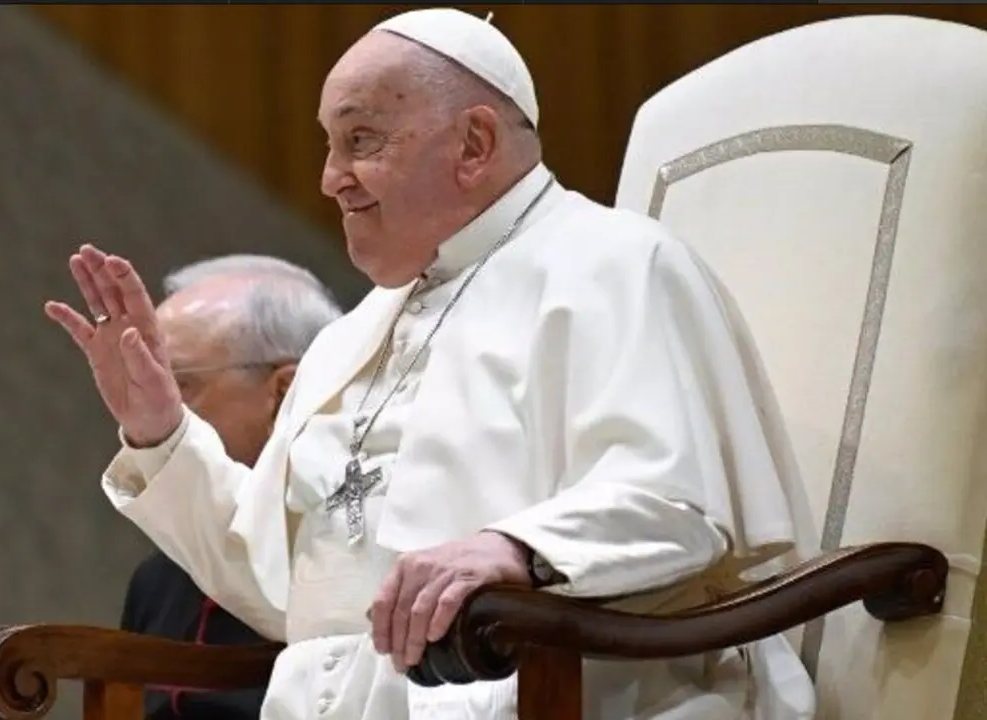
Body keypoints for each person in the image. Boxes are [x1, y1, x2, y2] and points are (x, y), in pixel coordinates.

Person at [45, 7, 817, 719]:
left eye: (361, 139)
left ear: (474, 144)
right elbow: (280, 587)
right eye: (327, 143)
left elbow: (680, 506)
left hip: (574, 694)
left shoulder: (616, 266)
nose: (329, 177)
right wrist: (161, 431)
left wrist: (516, 549)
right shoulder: (355, 334)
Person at [118, 256, 341, 720]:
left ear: (284, 391)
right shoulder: (155, 580)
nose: (149, 407)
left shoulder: (348, 549)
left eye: (179, 384)